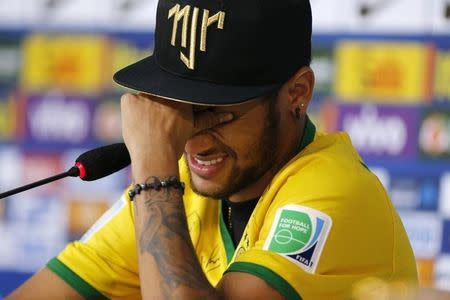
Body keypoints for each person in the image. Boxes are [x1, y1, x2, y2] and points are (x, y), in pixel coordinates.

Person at [6, 0, 418, 299]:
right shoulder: (176, 188)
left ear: (297, 93)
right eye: (177, 110)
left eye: (219, 114)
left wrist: (151, 175)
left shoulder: (336, 190)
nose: (193, 140)